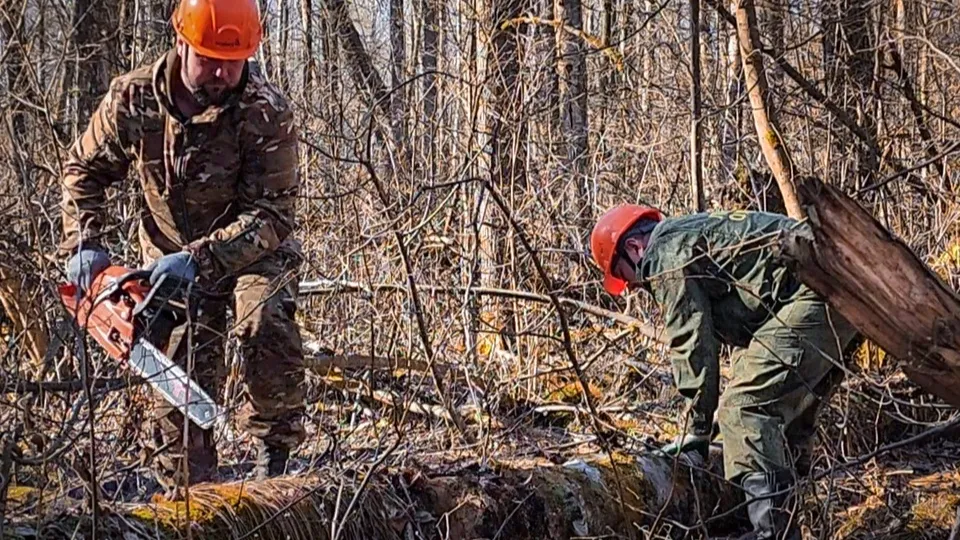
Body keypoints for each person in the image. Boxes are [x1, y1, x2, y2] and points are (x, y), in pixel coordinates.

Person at [58, 0, 305, 490]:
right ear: (181, 43)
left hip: (253, 251)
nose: (221, 73)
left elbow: (273, 215)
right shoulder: (133, 99)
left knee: (263, 319)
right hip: (167, 259)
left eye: (232, 62)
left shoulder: (265, 111)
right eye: (210, 59)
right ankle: (190, 492)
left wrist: (201, 259)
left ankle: (274, 462)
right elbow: (84, 170)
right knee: (178, 404)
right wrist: (84, 242)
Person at [590, 204, 859, 540]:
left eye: (624, 276)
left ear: (633, 248)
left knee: (744, 407)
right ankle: (774, 516)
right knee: (780, 413)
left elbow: (691, 339)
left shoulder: (665, 253)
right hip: (844, 284)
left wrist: (696, 429)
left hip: (817, 289)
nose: (632, 287)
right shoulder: (691, 233)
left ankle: (773, 533)